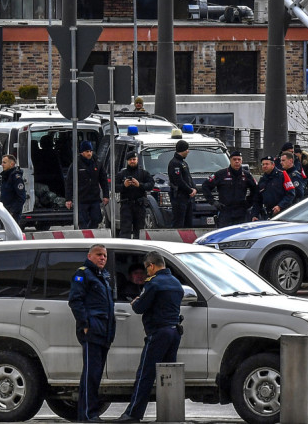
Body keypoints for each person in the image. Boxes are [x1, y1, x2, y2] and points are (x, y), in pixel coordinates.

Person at [117, 250, 184, 423]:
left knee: (145, 374)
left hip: (158, 333)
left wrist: (136, 301)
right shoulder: (176, 283)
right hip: (174, 332)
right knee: (169, 374)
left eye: (147, 270)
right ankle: (171, 413)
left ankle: (133, 414)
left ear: (152, 266)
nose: (147, 273)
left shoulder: (153, 283)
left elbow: (140, 308)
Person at [68, 244, 116, 423]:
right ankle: (89, 415)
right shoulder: (83, 274)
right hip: (93, 331)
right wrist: (85, 324)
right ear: (89, 256)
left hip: (104, 332)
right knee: (92, 375)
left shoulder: (103, 276)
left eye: (104, 255)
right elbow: (75, 301)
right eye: (98, 254)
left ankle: (86, 414)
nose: (102, 258)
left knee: (93, 374)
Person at [202, 151, 257, 227]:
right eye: (234, 159)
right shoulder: (221, 174)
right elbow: (205, 186)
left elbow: (255, 189)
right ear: (230, 160)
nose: (237, 161)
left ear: (242, 161)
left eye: (239, 159)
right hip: (225, 211)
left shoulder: (246, 175)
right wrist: (213, 201)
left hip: (241, 211)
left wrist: (249, 202)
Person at [65, 141, 109, 229]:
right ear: (82, 152)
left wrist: (105, 195)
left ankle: (92, 231)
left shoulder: (98, 163)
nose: (89, 153)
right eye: (87, 151)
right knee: (82, 221)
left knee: (96, 218)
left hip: (94, 198)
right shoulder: (76, 164)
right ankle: (85, 237)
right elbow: (69, 182)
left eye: (90, 151)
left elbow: (103, 180)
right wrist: (68, 199)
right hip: (81, 199)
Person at [115, 151, 154, 239]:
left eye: (134, 159)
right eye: (130, 160)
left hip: (139, 205)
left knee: (139, 231)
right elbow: (114, 187)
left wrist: (139, 185)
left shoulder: (144, 173)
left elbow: (151, 185)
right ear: (127, 161)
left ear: (137, 160)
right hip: (126, 206)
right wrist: (124, 186)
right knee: (125, 230)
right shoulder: (121, 174)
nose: (132, 161)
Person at [251, 155, 294, 220]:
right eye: (263, 164)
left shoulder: (282, 175)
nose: (265, 166)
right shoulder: (262, 180)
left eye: (267, 164)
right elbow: (257, 200)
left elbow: (291, 194)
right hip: (267, 214)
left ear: (273, 165)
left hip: (283, 213)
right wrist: (254, 215)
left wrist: (280, 206)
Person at [168, 140, 197, 228]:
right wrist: (189, 190)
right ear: (182, 150)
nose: (188, 151)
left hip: (187, 198)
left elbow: (188, 178)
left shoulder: (183, 163)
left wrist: (194, 188)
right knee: (179, 223)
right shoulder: (174, 163)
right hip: (179, 197)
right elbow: (179, 181)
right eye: (187, 149)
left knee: (188, 223)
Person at [0, 154, 27, 222]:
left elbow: (21, 197)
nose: (2, 164)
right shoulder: (6, 176)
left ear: (12, 164)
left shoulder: (16, 178)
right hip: (5, 211)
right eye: (2, 162)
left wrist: (12, 211)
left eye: (4, 162)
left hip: (12, 214)